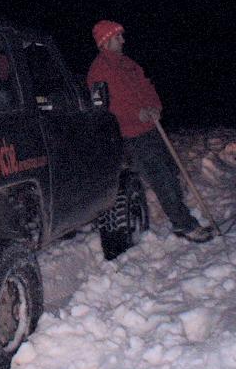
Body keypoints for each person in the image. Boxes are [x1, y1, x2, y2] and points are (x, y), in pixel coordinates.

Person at [86, 20, 214, 243]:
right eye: (118, 37)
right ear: (105, 42)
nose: (123, 40)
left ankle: (181, 215)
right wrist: (136, 115)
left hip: (152, 129)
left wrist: (155, 107)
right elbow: (105, 107)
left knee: (171, 172)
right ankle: (183, 224)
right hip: (132, 135)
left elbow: (147, 87)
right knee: (161, 179)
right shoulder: (98, 71)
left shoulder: (128, 64)